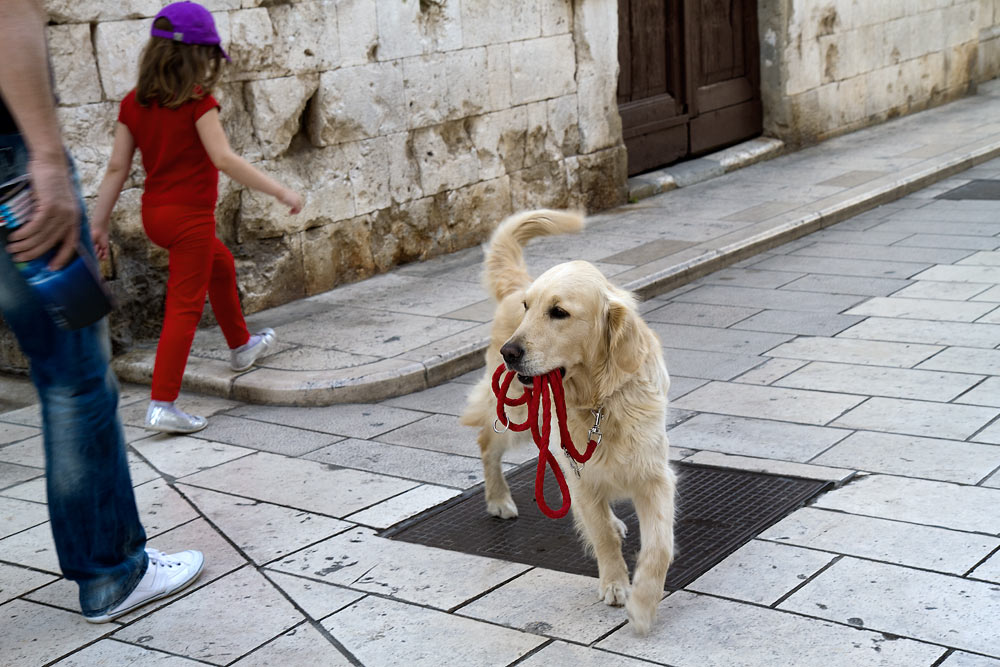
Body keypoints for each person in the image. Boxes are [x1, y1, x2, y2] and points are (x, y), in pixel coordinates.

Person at [0, 0, 203, 623]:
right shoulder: (199, 105)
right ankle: (112, 572)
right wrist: (44, 159)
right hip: (10, 169)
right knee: (73, 379)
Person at [91, 1, 303, 434]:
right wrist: (279, 190)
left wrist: (97, 223)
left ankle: (242, 345)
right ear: (195, 57)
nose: (210, 65)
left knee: (220, 266)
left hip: (157, 217)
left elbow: (116, 168)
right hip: (190, 218)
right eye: (208, 56)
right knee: (183, 309)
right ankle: (162, 403)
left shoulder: (134, 104)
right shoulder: (197, 104)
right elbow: (223, 158)